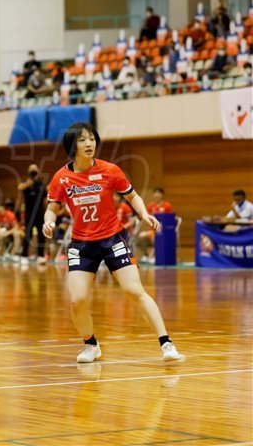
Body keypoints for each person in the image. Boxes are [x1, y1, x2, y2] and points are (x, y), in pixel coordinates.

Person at [42, 122, 183, 363]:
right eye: (83, 140)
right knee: (77, 299)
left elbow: (132, 196)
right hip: (81, 245)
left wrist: (143, 214)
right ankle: (91, 345)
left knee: (134, 290)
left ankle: (167, 343)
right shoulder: (61, 177)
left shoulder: (110, 170)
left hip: (112, 239)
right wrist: (49, 222)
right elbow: (52, 208)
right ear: (72, 145)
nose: (89, 144)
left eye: (92, 139)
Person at [17, 164, 47, 265]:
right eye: (31, 170)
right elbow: (19, 188)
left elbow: (45, 200)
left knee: (41, 235)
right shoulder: (26, 184)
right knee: (27, 234)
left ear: (38, 171)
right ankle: (24, 256)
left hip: (40, 214)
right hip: (29, 214)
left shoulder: (41, 184)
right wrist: (28, 184)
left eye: (35, 169)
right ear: (28, 172)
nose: (33, 171)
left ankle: (41, 256)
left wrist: (46, 213)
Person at [137, 187, 174, 262]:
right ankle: (145, 255)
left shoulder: (167, 205)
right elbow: (147, 219)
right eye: (155, 193)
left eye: (158, 193)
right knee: (141, 236)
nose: (157, 194)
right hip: (153, 230)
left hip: (163, 231)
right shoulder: (150, 206)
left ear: (162, 194)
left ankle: (155, 256)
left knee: (155, 238)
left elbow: (171, 219)